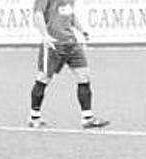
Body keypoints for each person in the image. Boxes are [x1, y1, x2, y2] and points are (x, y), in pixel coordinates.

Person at [29, 0, 109, 129]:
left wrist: (82, 30)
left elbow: (70, 15)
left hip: (72, 43)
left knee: (84, 77)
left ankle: (87, 118)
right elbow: (38, 15)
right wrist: (45, 36)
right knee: (43, 79)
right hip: (54, 44)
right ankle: (34, 117)